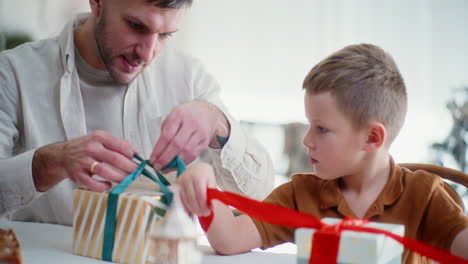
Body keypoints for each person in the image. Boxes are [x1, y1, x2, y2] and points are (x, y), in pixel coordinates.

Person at [177, 44, 468, 262]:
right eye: (309, 125)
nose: (307, 140)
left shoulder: (426, 196)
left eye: (322, 129)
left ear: (372, 137)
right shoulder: (301, 194)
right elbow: (229, 240)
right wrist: (204, 181)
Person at [0, 0, 274, 225]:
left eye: (165, 35)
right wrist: (47, 164)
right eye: (136, 26)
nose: (148, 53)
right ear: (97, 3)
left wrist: (218, 125)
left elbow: (260, 195)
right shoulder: (13, 73)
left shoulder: (189, 78)